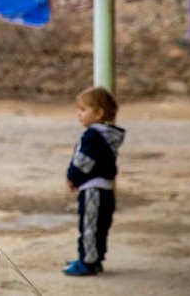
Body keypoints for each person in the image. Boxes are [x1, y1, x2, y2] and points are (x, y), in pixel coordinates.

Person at [63, 86, 125, 276]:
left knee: (89, 226)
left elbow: (83, 161)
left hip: (92, 190)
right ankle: (94, 258)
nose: (78, 115)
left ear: (98, 113)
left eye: (83, 110)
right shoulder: (109, 135)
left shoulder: (93, 136)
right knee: (100, 227)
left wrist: (72, 177)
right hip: (105, 190)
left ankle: (88, 262)